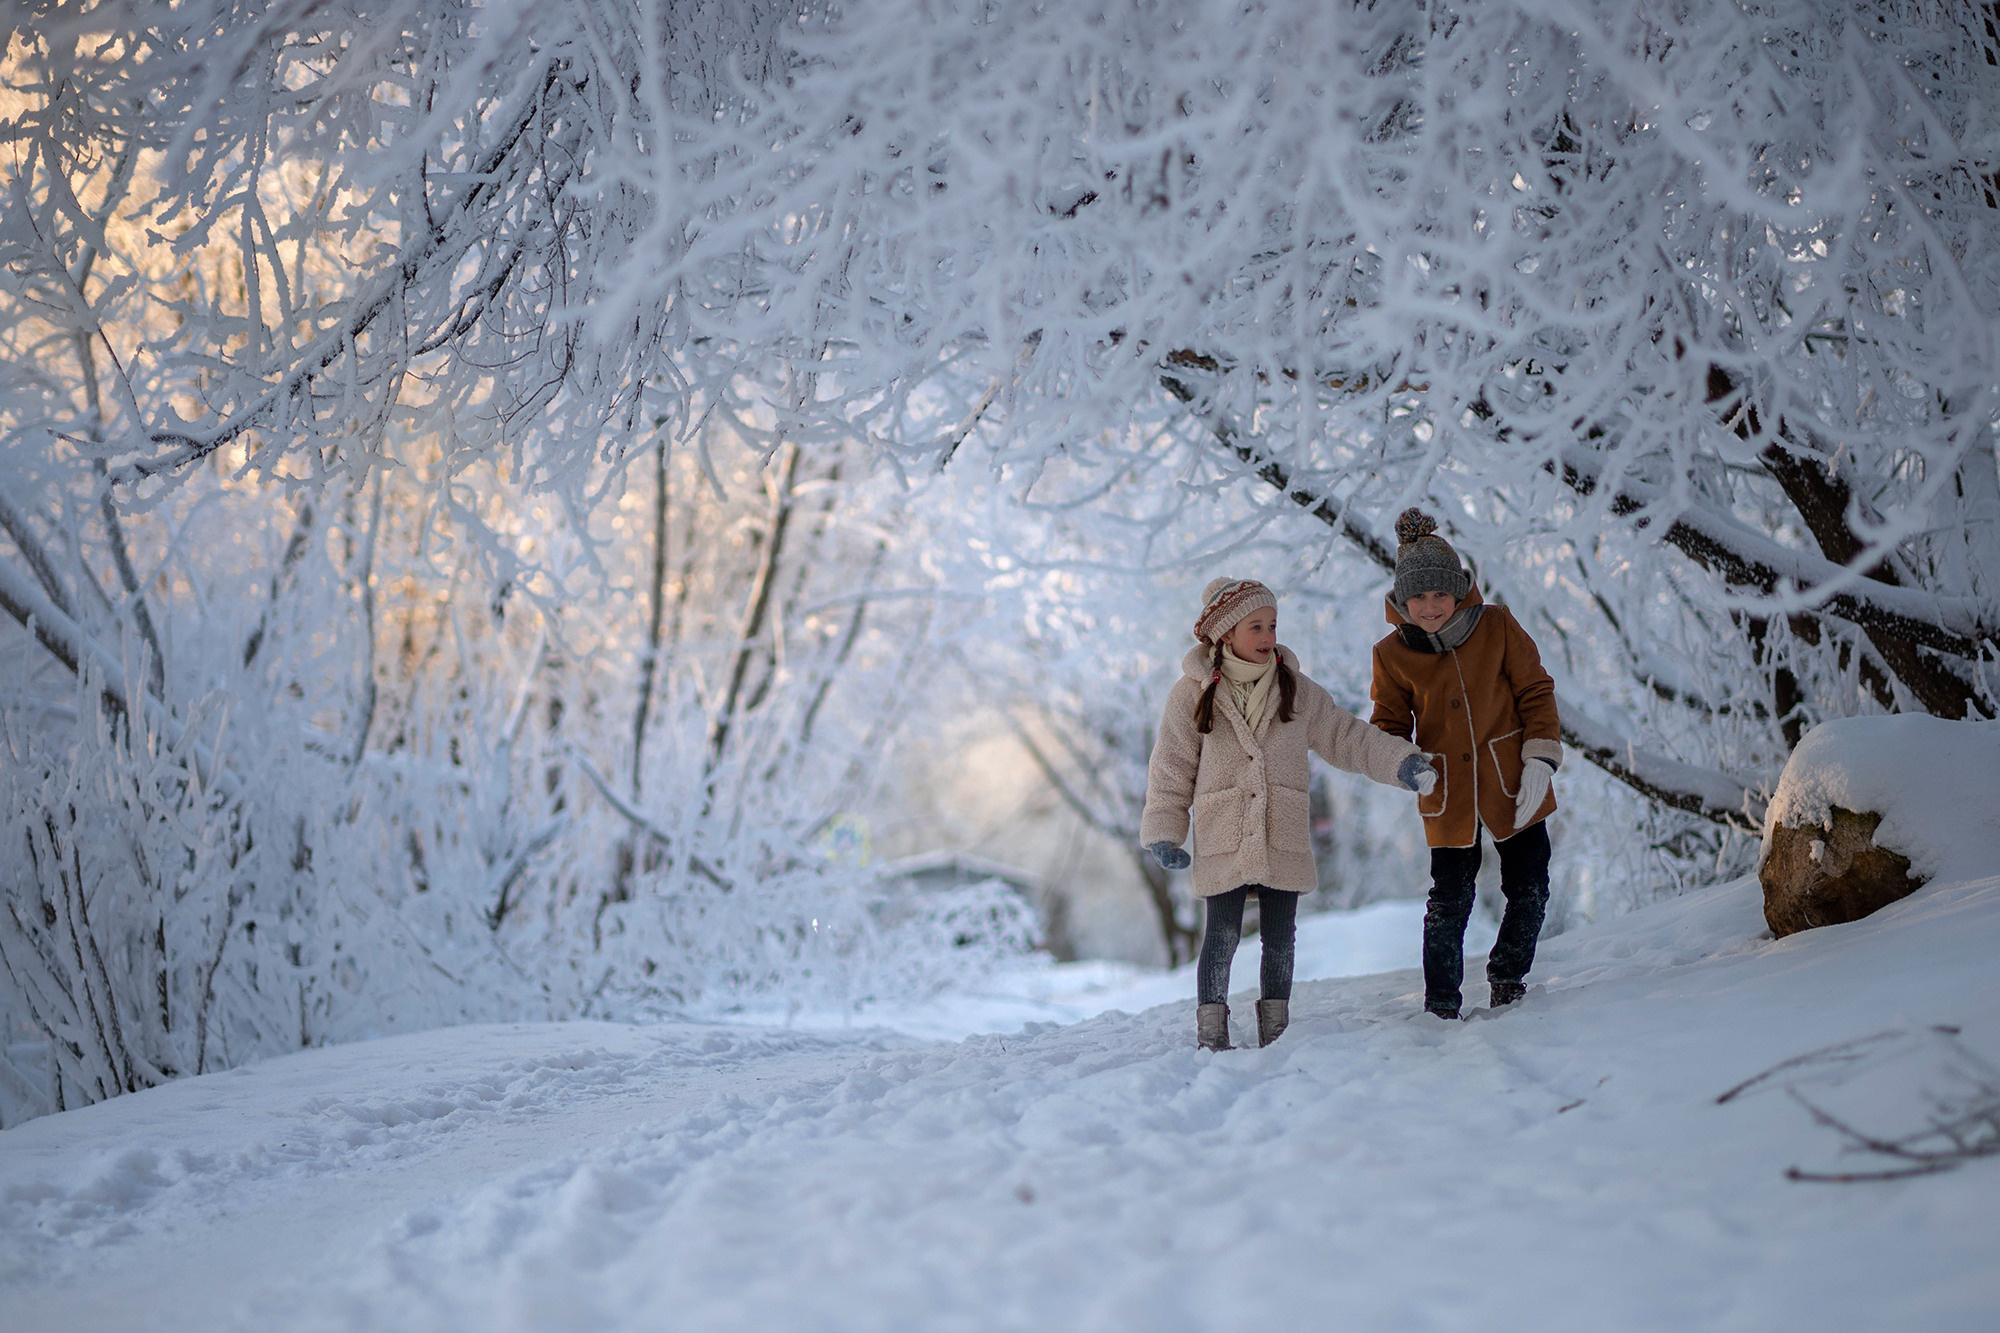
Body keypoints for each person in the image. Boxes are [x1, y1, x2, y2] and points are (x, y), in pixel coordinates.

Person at [1141, 578, 1436, 1051]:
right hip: (1225, 830)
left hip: (1282, 829)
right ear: (1224, 634)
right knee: (1222, 933)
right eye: (1255, 626)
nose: (1267, 635)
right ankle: (1211, 1029)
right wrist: (1164, 832)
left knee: (1280, 936)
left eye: (1272, 625)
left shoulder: (1294, 689)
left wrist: (1399, 761)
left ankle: (1275, 1026)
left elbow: (1347, 736)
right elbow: (1172, 766)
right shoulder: (1191, 694)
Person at [1370, 509, 1563, 1020]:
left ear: (1459, 590)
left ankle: (1507, 977)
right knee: (1449, 900)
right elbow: (1387, 725)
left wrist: (1541, 755)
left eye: (1440, 593)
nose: (1430, 606)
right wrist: (1408, 764)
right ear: (1401, 600)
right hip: (1445, 790)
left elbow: (1535, 691)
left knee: (1531, 885)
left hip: (1514, 778)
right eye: (1419, 595)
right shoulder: (1390, 654)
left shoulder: (1496, 624)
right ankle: (1440, 1004)